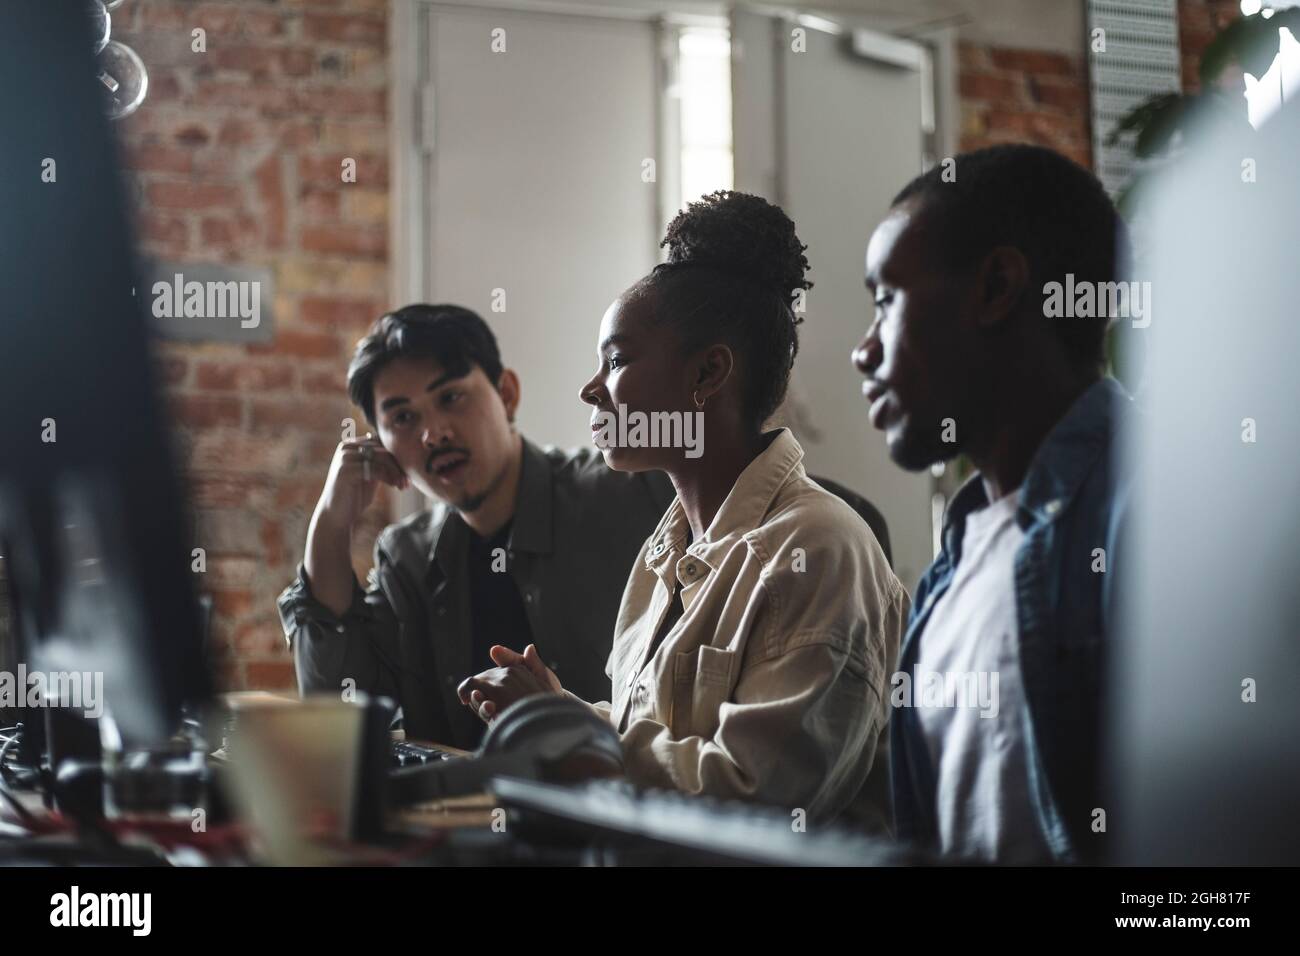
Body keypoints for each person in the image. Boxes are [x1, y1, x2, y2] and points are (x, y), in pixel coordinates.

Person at [459, 192, 908, 825]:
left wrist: (562, 729)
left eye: (616, 360)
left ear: (708, 374)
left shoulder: (820, 548)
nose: (591, 388)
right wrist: (566, 712)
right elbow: (662, 738)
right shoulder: (662, 552)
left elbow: (758, 797)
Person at [853, 144, 1135, 862]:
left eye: (886, 300)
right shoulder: (953, 566)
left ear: (997, 287)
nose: (863, 350)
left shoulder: (1151, 518)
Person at [277, 305, 673, 749]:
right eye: (403, 418)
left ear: (506, 394)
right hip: (461, 814)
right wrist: (331, 520)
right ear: (382, 444)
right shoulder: (407, 556)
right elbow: (336, 713)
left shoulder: (627, 492)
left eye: (450, 398)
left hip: (613, 803)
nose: (434, 433)